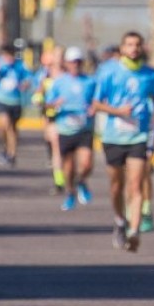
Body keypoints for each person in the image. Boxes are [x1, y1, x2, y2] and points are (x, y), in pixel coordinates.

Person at [91, 32, 154, 250]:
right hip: (113, 136)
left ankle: (134, 230)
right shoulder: (109, 71)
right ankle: (120, 220)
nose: (133, 48)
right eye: (129, 44)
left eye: (137, 44)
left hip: (138, 137)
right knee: (116, 186)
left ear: (142, 48)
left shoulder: (150, 74)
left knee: (135, 184)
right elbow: (96, 104)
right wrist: (118, 111)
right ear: (122, 48)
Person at [47, 47, 98, 212]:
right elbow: (47, 103)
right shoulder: (59, 82)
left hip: (84, 129)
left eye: (78, 62)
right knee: (68, 168)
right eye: (72, 62)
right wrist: (55, 104)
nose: (75, 64)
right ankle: (70, 193)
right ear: (67, 64)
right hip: (65, 129)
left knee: (87, 163)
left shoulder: (90, 81)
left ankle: (81, 181)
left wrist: (94, 108)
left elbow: (98, 100)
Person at [0, 45, 31, 167]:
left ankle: (12, 154)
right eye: (7, 55)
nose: (9, 57)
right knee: (4, 124)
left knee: (12, 128)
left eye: (11, 55)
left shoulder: (20, 66)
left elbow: (28, 79)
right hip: (1, 100)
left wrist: (24, 85)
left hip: (16, 101)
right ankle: (4, 146)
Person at [31, 49, 66, 193]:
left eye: (62, 56)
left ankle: (69, 176)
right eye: (57, 56)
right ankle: (59, 181)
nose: (59, 59)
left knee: (64, 150)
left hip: (68, 116)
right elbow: (38, 93)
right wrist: (38, 99)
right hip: (51, 115)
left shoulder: (70, 75)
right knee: (55, 146)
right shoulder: (45, 75)